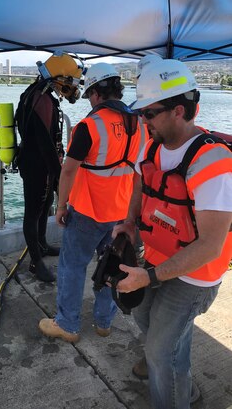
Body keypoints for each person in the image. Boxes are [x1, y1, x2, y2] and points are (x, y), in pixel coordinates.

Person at [112, 56, 232, 409]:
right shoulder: (152, 145)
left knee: (158, 352)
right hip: (155, 259)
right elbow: (139, 181)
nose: (142, 121)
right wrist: (129, 222)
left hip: (195, 276)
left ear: (179, 110)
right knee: (148, 324)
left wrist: (148, 277)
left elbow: (211, 245)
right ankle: (186, 388)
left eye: (149, 113)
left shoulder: (212, 163)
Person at [38, 62, 148, 342]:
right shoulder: (140, 124)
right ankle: (103, 322)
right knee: (112, 265)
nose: (89, 101)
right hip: (121, 212)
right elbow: (140, 171)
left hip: (88, 211)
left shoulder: (90, 126)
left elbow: (69, 169)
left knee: (72, 266)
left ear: (96, 93)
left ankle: (68, 325)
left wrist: (61, 206)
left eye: (89, 96)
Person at [15, 51, 83, 283]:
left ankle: (42, 245)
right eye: (70, 81)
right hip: (36, 165)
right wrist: (58, 177)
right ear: (58, 77)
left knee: (44, 207)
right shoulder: (40, 99)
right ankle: (35, 262)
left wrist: (55, 173)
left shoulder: (38, 95)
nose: (72, 87)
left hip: (40, 163)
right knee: (33, 211)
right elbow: (45, 144)